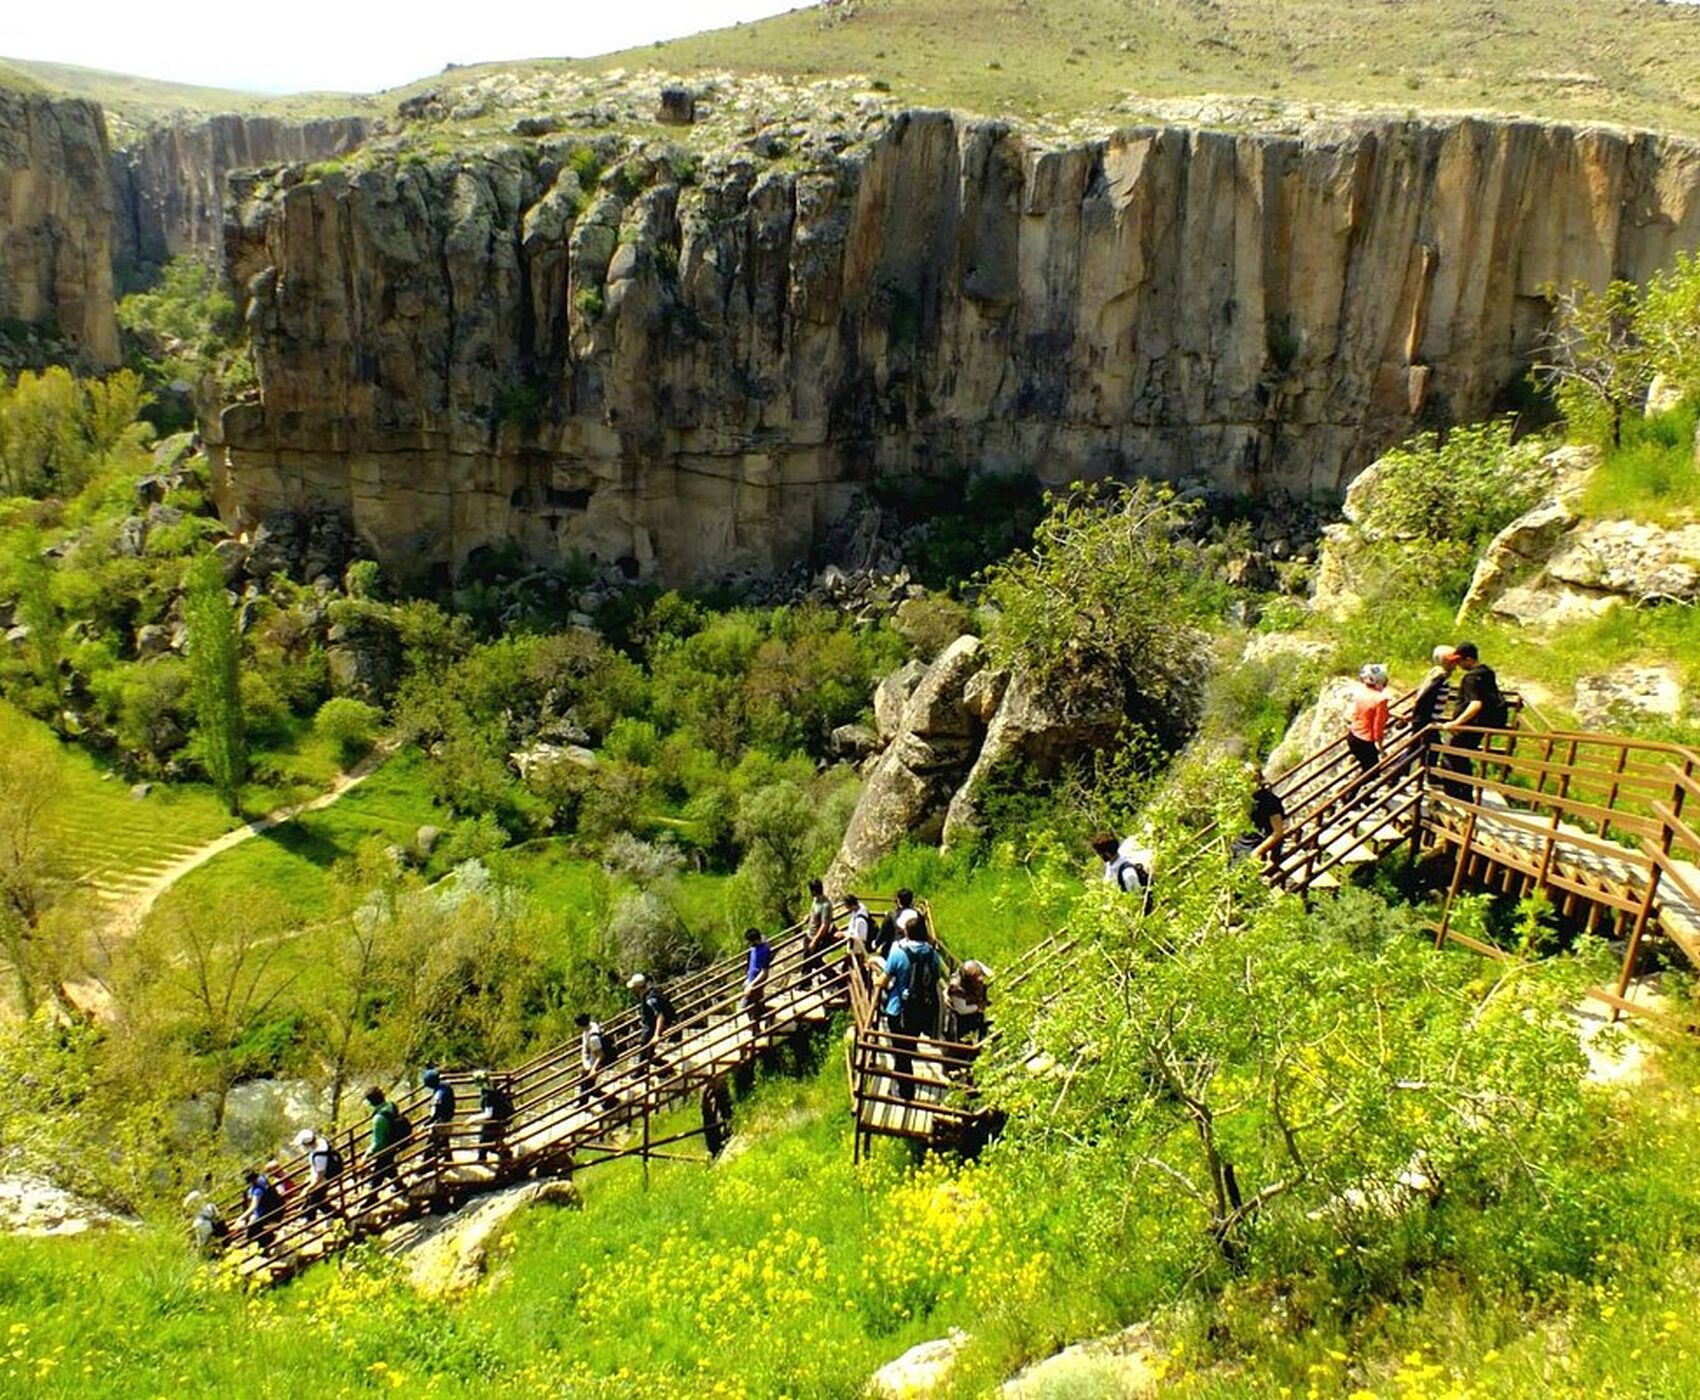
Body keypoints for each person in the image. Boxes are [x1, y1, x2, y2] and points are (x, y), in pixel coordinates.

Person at [878, 909, 941, 1099]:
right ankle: (901, 1085)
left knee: (900, 1051)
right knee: (908, 1047)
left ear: (906, 932)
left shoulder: (898, 952)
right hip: (921, 1009)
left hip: (898, 1008)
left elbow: (883, 979)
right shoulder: (932, 954)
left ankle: (906, 1092)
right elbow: (936, 977)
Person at [1439, 642, 1509, 799]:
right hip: (1484, 722)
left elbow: (1476, 703)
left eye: (1460, 660)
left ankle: (1458, 795)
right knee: (1459, 755)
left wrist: (1457, 723)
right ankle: (1462, 793)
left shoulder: (1471, 678)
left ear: (1469, 659)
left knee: (1451, 754)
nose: (1457, 664)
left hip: (1473, 724)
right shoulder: (1487, 672)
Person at [1346, 663, 1390, 799]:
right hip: (1365, 739)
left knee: (1367, 767)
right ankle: (1349, 795)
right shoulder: (1380, 699)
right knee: (1373, 772)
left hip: (1353, 735)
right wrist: (1381, 748)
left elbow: (1364, 713)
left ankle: (1354, 794)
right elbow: (1378, 727)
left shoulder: (1361, 693)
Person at [361, 1085, 408, 1210]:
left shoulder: (379, 1118)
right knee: (388, 1169)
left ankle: (372, 1197)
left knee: (378, 1173)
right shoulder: (391, 1105)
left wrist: (367, 1154)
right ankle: (399, 1187)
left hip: (387, 1147)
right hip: (395, 1142)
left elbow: (378, 1143)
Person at [292, 1128, 343, 1222]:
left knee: (317, 1201)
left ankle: (339, 1217)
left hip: (323, 1180)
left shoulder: (319, 1156)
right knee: (314, 1199)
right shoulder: (321, 1142)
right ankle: (307, 1217)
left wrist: (309, 1187)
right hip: (323, 1176)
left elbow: (321, 1175)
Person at [629, 973, 677, 1072]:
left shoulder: (650, 999)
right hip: (649, 1023)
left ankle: (640, 1070)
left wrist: (656, 1035)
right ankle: (664, 1068)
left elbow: (660, 1015)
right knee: (648, 1050)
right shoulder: (648, 993)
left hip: (652, 1025)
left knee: (644, 1045)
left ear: (637, 988)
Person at [575, 1012, 619, 1112]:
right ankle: (583, 1103)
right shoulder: (592, 1026)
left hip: (596, 1063)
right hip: (590, 1062)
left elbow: (600, 1055)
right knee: (585, 1084)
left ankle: (611, 1099)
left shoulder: (593, 1037)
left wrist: (593, 1069)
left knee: (589, 1087)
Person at [421, 1067, 456, 1189]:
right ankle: (448, 1160)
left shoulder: (439, 1095)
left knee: (431, 1144)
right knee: (444, 1141)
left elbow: (436, 1113)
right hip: (449, 1120)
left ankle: (426, 1167)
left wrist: (425, 1124)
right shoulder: (446, 1086)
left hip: (441, 1122)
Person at [1091, 833, 1152, 900]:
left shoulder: (1127, 873)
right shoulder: (1110, 865)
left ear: (1107, 854)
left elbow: (1137, 897)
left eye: (1099, 853)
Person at [944, 960, 991, 1044]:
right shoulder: (956, 988)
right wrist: (978, 1007)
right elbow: (962, 1010)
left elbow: (989, 973)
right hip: (961, 1020)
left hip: (975, 1015)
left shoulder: (976, 969)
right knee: (962, 1042)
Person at [801, 878, 836, 986]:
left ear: (814, 890)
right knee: (807, 960)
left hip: (817, 937)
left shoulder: (825, 905)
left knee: (815, 961)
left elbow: (825, 925)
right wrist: (808, 917)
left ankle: (836, 979)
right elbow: (814, 911)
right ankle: (805, 982)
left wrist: (815, 941)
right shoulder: (816, 900)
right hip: (809, 935)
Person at [242, 1167, 284, 1252]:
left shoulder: (257, 1189)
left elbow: (253, 1206)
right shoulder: (263, 1180)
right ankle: (264, 1245)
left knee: (252, 1230)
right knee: (253, 1228)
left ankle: (265, 1245)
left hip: (268, 1212)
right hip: (275, 1209)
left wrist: (241, 1218)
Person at [742, 926, 773, 1039]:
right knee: (755, 1006)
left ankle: (756, 1031)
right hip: (751, 980)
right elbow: (752, 965)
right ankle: (759, 1026)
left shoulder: (764, 950)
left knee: (749, 1006)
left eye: (750, 942)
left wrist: (752, 985)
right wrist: (747, 979)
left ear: (755, 940)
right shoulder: (754, 948)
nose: (749, 944)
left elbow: (764, 972)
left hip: (757, 982)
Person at [874, 888, 916, 959]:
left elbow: (884, 932)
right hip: (917, 947)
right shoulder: (918, 914)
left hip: (897, 948)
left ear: (898, 900)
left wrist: (876, 943)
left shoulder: (892, 915)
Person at [186, 1190, 229, 1255]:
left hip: (202, 1226)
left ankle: (205, 1256)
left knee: (203, 1244)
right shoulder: (211, 1206)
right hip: (216, 1230)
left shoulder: (196, 1217)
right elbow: (219, 1217)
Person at [841, 892, 874, 961]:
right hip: (855, 948)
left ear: (851, 905)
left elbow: (860, 938)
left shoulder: (860, 921)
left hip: (858, 951)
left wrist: (844, 934)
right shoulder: (859, 909)